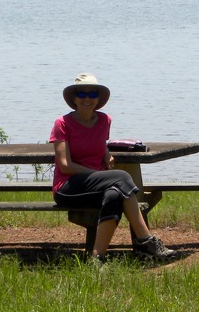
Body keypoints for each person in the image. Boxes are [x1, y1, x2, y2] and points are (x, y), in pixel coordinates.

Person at [50, 73, 176, 262]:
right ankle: (146, 241)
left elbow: (98, 144)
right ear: (74, 99)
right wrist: (98, 174)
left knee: (115, 194)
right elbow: (65, 166)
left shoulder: (104, 120)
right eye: (82, 94)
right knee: (121, 177)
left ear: (98, 99)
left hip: (97, 185)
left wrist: (106, 153)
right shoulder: (62, 124)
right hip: (68, 187)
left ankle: (97, 258)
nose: (87, 99)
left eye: (92, 94)